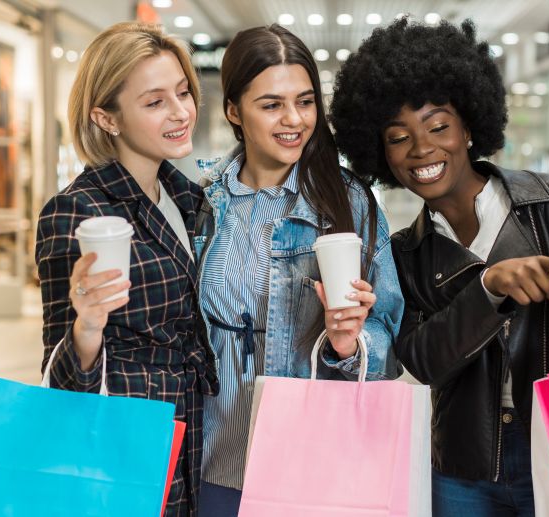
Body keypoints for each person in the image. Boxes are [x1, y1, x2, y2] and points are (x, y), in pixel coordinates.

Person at [330, 18, 549, 516]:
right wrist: (489, 288)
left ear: (469, 126)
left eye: (438, 126)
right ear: (381, 153)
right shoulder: (404, 253)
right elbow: (422, 360)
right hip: (464, 467)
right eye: (398, 137)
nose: (422, 148)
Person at [192, 24, 404, 517]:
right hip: (209, 464)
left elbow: (389, 333)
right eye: (271, 105)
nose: (294, 120)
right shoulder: (201, 201)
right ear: (233, 112)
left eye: (305, 102)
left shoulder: (348, 204)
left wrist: (349, 342)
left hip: (307, 465)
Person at [36, 22, 216, 516]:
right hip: (125, 440)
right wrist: (88, 323)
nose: (181, 112)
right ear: (107, 118)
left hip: (198, 431)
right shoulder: (76, 211)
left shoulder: (189, 198)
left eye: (183, 92)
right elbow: (59, 375)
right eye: (155, 102)